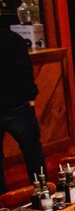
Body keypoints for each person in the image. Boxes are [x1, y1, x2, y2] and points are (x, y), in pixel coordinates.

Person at [0, 23, 45, 191]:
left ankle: (3, 201)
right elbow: (24, 70)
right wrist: (30, 96)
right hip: (16, 104)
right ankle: (42, 191)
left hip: (15, 103)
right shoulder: (12, 38)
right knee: (32, 151)